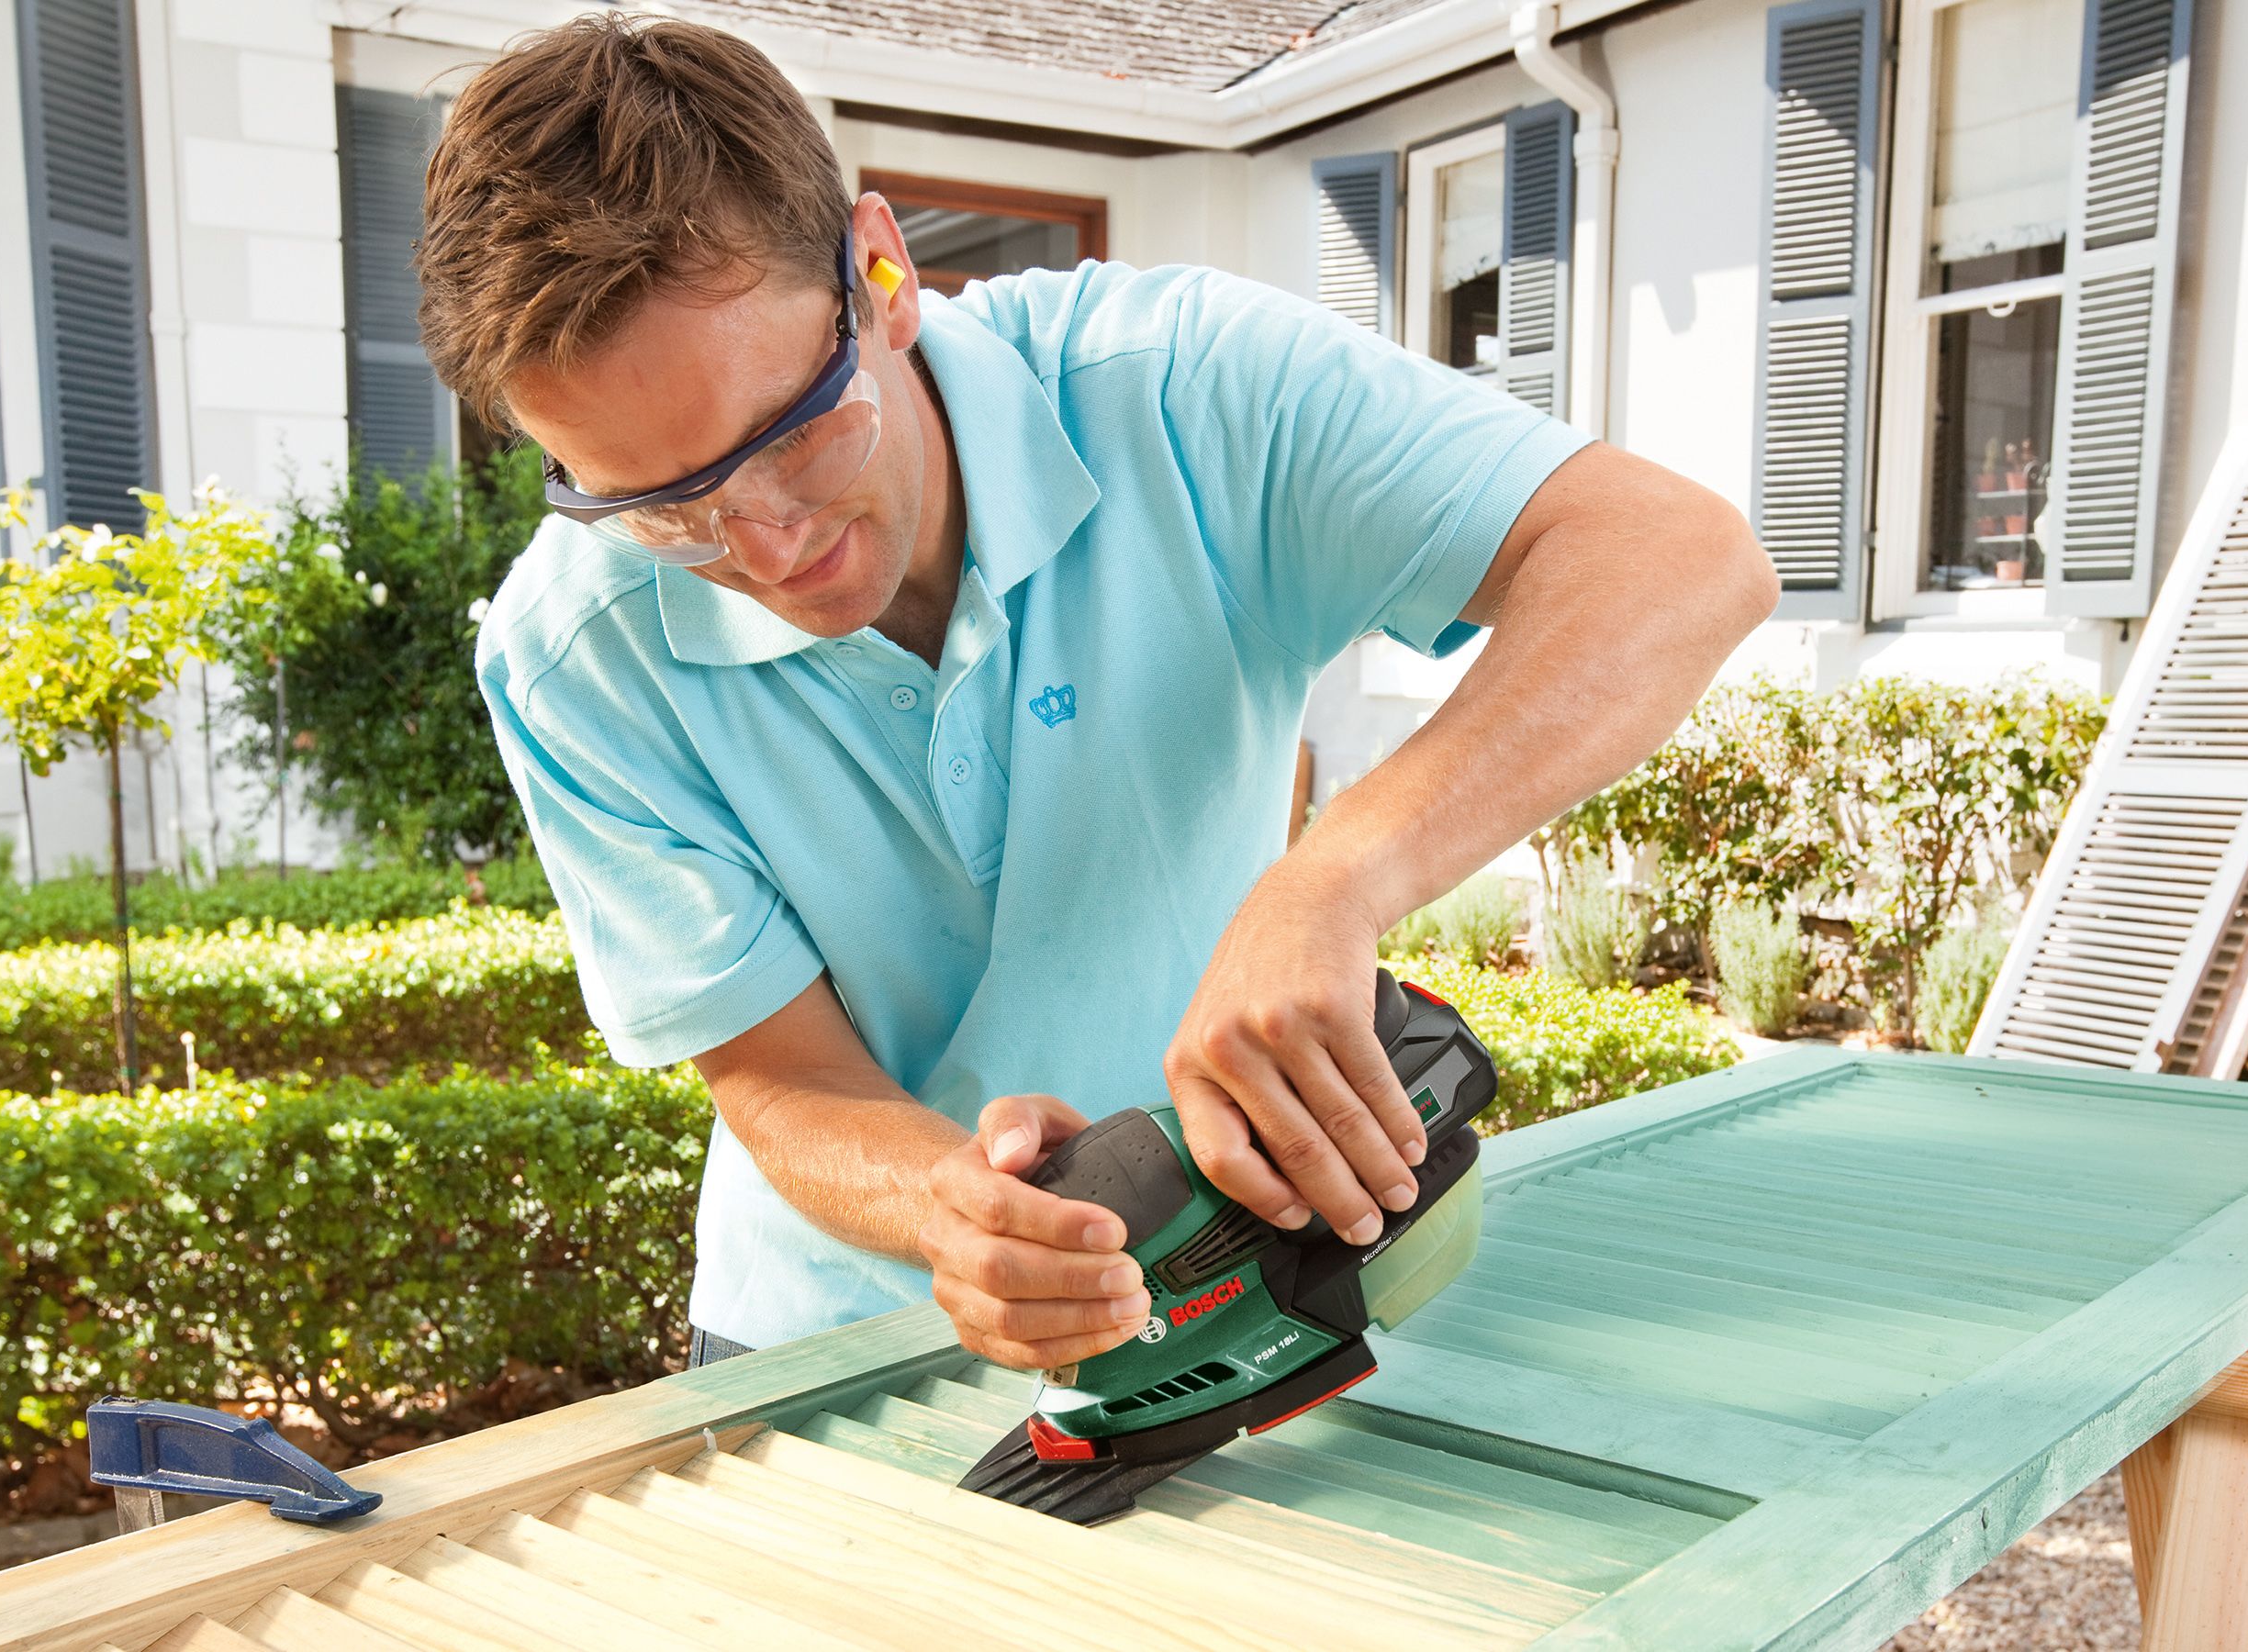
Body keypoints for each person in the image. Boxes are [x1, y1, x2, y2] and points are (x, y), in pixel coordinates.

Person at [428, 17, 1777, 1371]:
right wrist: (956, 1213)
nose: (763, 546)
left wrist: (1334, 880)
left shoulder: (1185, 393)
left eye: (795, 433)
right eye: (665, 509)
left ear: (881, 273)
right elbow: (779, 1075)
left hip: (1230, 1278)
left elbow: (1678, 560)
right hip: (817, 1341)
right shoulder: (568, 653)